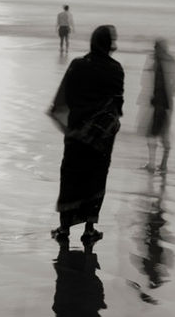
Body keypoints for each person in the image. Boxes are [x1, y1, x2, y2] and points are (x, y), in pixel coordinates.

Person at [49, 25, 124, 245]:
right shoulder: (116, 69)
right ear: (109, 43)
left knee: (71, 178)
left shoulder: (77, 65)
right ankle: (89, 229)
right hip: (101, 138)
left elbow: (66, 97)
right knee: (95, 179)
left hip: (76, 134)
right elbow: (117, 105)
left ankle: (63, 229)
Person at [142, 38, 175, 171]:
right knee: (163, 133)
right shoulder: (170, 61)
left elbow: (160, 83)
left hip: (161, 103)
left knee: (153, 133)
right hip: (166, 103)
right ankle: (162, 164)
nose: (154, 50)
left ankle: (154, 164)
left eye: (156, 47)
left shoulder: (161, 62)